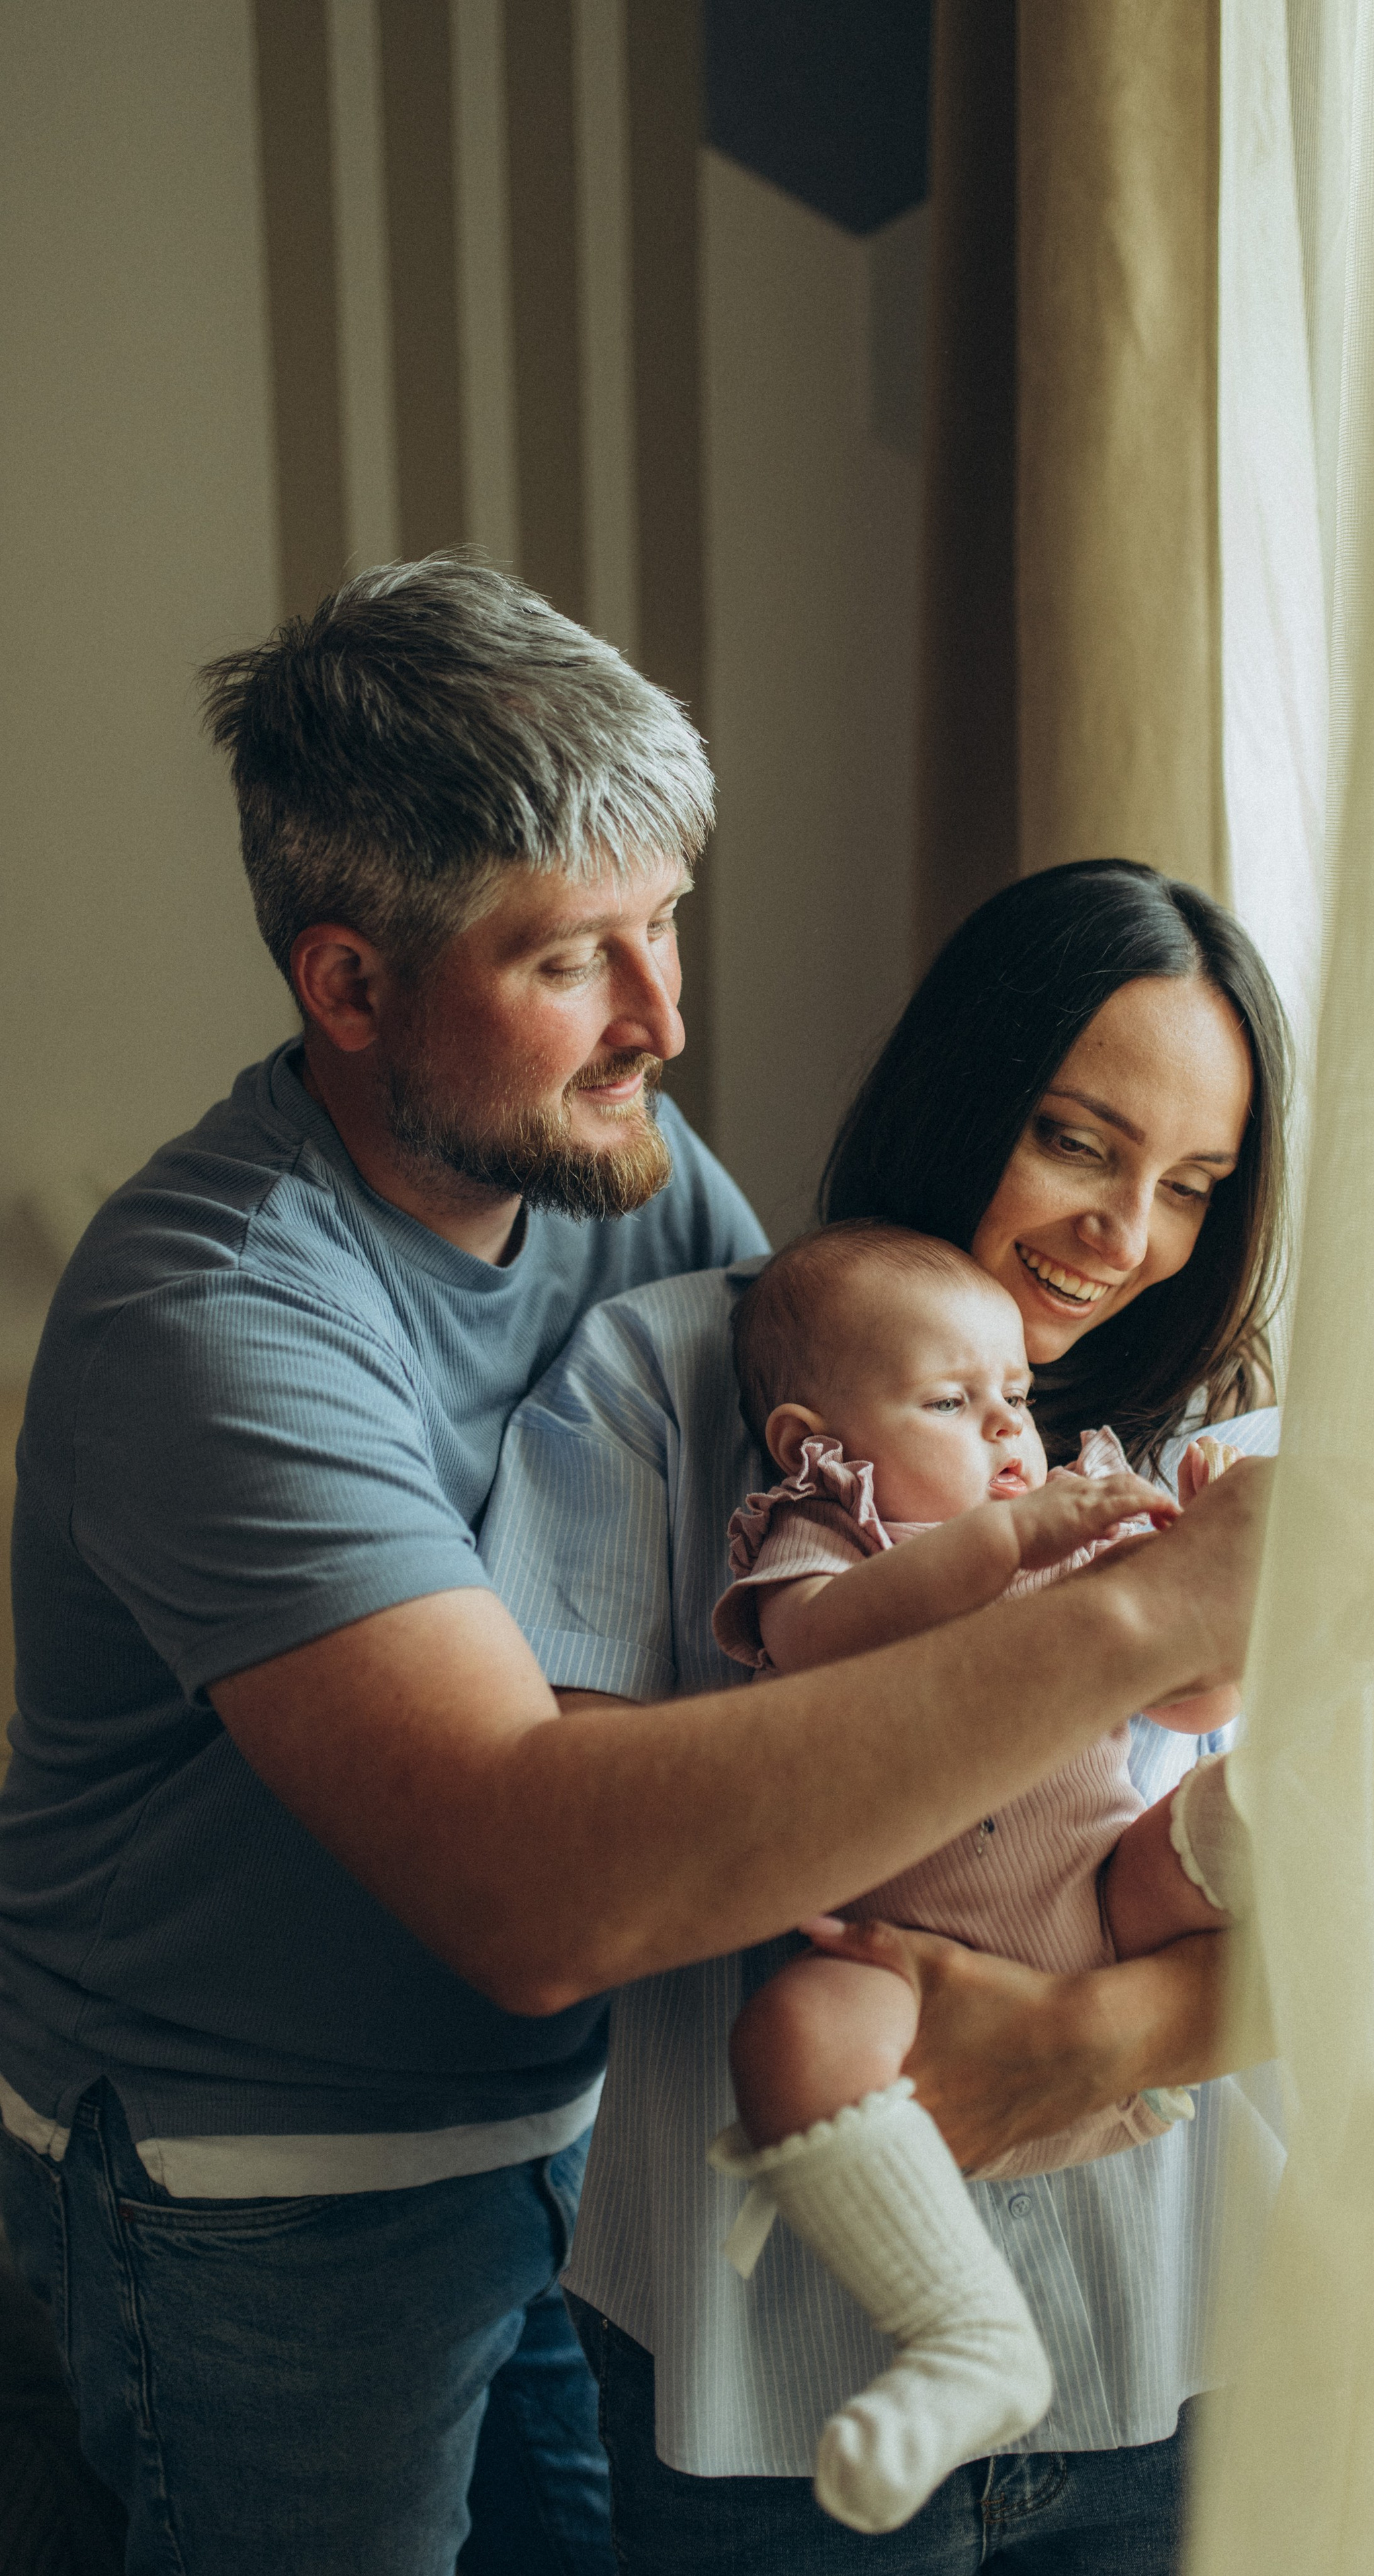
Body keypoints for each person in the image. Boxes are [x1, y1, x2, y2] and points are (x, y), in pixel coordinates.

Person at [0, 563, 1266, 2576]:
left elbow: (810, 1554)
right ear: (349, 988)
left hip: (570, 2152)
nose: (669, 1018)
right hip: (263, 2190)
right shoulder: (219, 1323)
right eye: (578, 958)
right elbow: (539, 1877)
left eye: (666, 919)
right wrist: (1132, 1610)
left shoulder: (635, 1182)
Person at [480, 858, 1289, 2573]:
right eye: (1077, 1141)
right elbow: (573, 1879)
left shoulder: (1217, 1462)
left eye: (1192, 1187)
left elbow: (1356, 1925)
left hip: (1160, 2352)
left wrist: (1089, 2045)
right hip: (765, 2388)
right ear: (962, 1090)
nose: (1124, 1237)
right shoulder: (680, 1387)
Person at [705, 1220, 1246, 2534]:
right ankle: (962, 2330)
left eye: (1017, 1399)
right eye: (953, 1403)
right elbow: (826, 1651)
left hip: (1105, 1898)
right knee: (788, 2031)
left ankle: (1330, 1904)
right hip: (903, 1959)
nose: (1008, 1432)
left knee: (1245, 1798)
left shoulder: (1062, 1526)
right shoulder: (821, 1545)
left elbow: (1190, 1694)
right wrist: (1007, 1539)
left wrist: (1207, 1572)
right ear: (810, 1441)